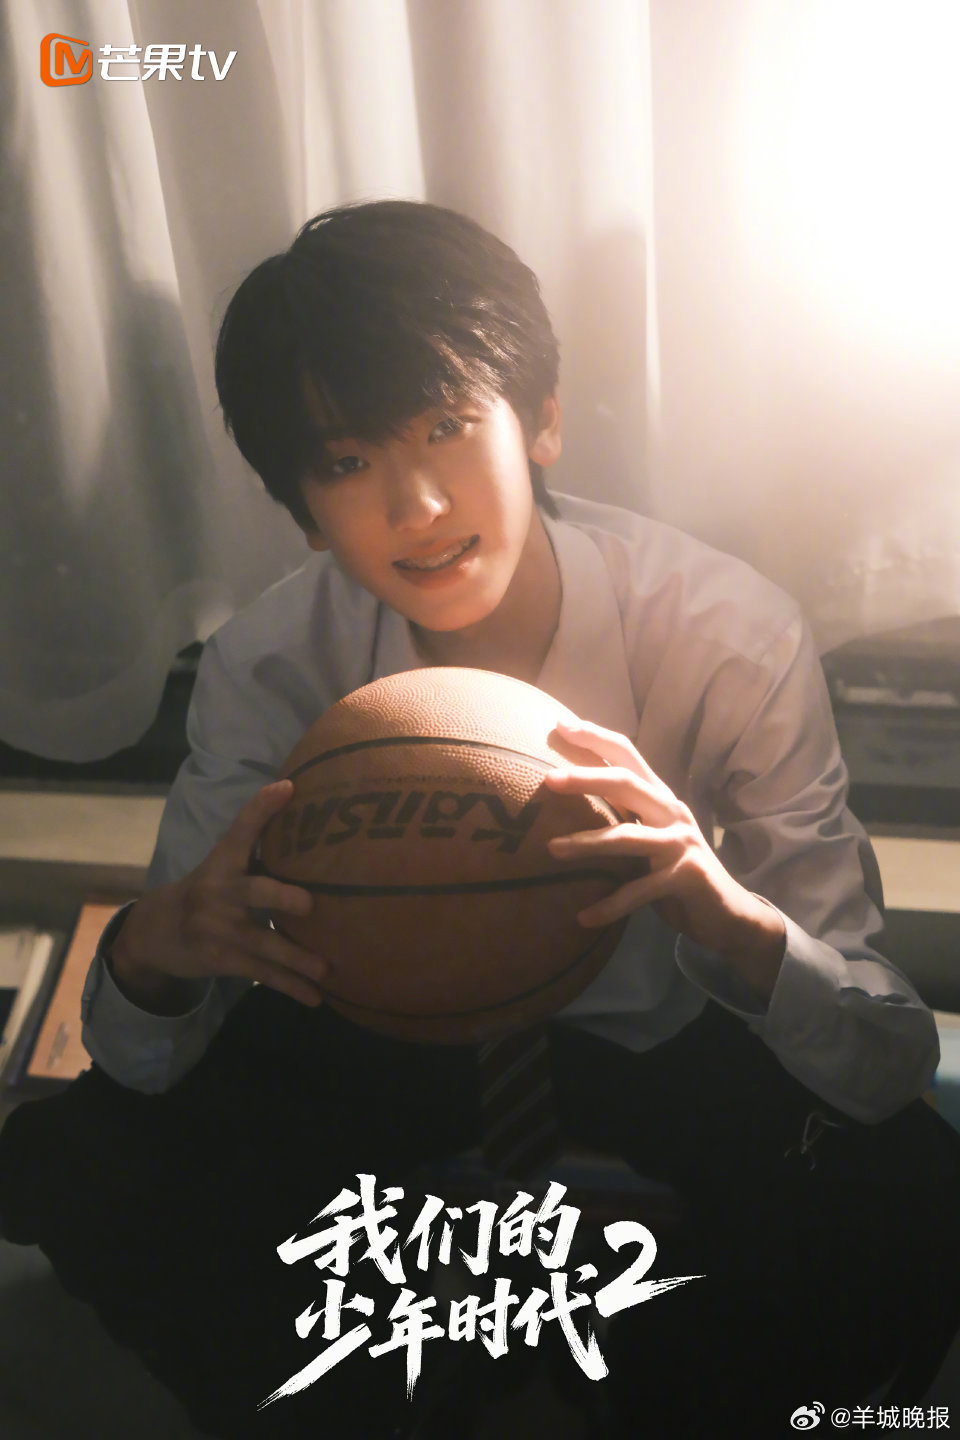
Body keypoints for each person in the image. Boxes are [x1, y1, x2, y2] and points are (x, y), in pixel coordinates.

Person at [1, 200, 958, 1438]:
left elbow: (884, 1058)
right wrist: (154, 954)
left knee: (917, 1196)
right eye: (347, 463)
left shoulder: (727, 634)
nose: (415, 505)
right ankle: (403, 1380)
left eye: (449, 426)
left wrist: (731, 919)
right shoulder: (271, 664)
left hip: (654, 1052)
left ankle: (614, 1365)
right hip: (373, 1045)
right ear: (302, 508)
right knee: (72, 1158)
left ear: (541, 421)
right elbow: (145, 1059)